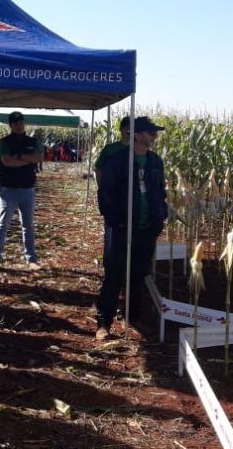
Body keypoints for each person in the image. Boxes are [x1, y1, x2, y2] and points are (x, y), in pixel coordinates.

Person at [94, 116, 168, 340]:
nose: (154, 136)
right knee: (114, 275)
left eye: (155, 133)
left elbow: (159, 192)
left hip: (147, 228)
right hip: (123, 226)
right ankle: (103, 322)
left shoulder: (155, 162)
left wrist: (160, 217)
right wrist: (115, 220)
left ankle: (131, 318)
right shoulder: (118, 161)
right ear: (136, 134)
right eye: (150, 132)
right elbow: (105, 193)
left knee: (138, 275)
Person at [0, 111, 42, 268]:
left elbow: (38, 157)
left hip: (27, 189)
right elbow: (6, 161)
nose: (19, 126)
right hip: (8, 190)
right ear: (11, 125)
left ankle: (31, 258)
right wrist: (26, 159)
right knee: (2, 224)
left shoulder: (33, 141)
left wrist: (17, 157)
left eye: (21, 123)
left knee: (28, 226)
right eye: (16, 123)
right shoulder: (4, 142)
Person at [94, 116, 130, 185]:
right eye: (127, 128)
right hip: (111, 190)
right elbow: (98, 169)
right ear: (121, 129)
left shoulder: (138, 150)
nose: (129, 131)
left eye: (131, 128)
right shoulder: (109, 149)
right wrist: (101, 187)